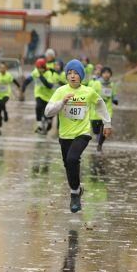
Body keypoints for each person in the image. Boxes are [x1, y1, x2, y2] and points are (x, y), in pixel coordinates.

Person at [44, 59, 111, 212]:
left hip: (82, 133)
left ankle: (74, 195)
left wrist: (107, 123)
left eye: (76, 73)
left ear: (81, 75)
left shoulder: (88, 92)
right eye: (69, 73)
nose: (72, 76)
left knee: (72, 159)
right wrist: (62, 103)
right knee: (69, 165)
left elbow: (100, 104)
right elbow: (48, 112)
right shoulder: (61, 91)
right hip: (65, 135)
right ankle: (77, 189)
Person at [91, 66, 118, 151]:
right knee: (95, 130)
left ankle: (100, 145)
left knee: (105, 128)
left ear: (111, 75)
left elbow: (114, 94)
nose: (106, 75)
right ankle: (98, 136)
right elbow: (91, 93)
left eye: (108, 73)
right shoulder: (96, 83)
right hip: (96, 112)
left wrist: (115, 99)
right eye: (104, 73)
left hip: (107, 111)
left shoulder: (112, 85)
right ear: (102, 74)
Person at [0, 62, 20, 128]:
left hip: (6, 93)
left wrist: (19, 86)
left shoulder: (8, 75)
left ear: (6, 68)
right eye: (1, 68)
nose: (2, 69)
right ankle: (0, 118)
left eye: (4, 68)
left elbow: (14, 80)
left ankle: (5, 113)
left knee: (2, 103)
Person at [32, 57, 58, 135]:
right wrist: (22, 87)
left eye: (41, 68)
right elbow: (29, 79)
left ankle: (48, 123)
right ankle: (39, 124)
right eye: (38, 68)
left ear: (44, 67)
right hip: (39, 94)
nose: (39, 70)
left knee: (46, 114)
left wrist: (41, 77)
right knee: (38, 107)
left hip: (49, 96)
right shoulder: (35, 72)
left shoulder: (49, 73)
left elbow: (49, 86)